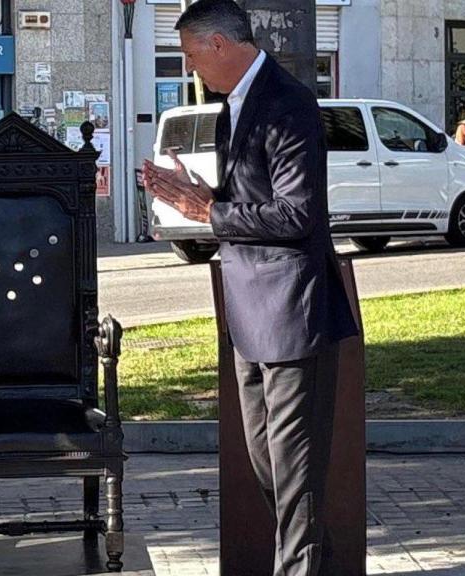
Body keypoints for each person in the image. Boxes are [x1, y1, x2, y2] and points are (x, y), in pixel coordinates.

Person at [142, 1, 358, 574]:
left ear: (219, 44)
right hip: (249, 315)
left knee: (296, 477)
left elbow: (298, 214)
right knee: (272, 469)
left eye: (190, 55)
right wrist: (197, 191)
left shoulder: (287, 103)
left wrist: (208, 212)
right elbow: (248, 196)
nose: (189, 69)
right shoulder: (230, 108)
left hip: (292, 315)